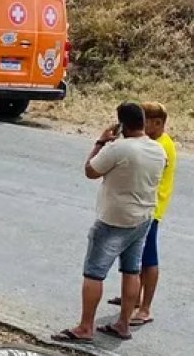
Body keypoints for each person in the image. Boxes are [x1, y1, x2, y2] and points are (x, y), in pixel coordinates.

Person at [53, 102, 166, 343]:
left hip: (114, 219)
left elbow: (91, 171)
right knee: (131, 270)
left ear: (122, 124)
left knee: (94, 272)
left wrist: (100, 142)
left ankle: (85, 327)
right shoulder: (158, 150)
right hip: (142, 218)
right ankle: (123, 324)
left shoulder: (118, 149)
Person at [108, 101, 177, 325]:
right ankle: (134, 297)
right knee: (135, 257)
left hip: (152, 209)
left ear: (158, 123)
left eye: (145, 122)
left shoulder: (162, 146)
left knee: (148, 259)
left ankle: (146, 308)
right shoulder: (153, 142)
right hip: (142, 207)